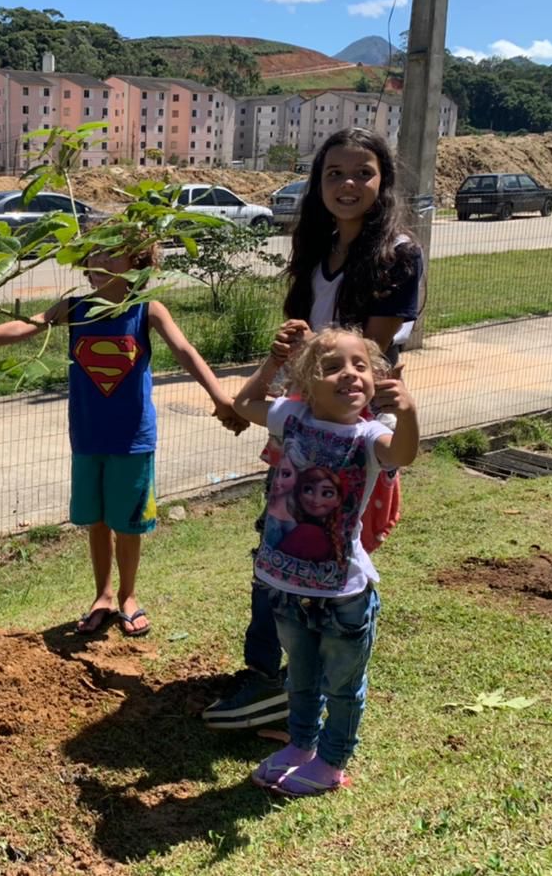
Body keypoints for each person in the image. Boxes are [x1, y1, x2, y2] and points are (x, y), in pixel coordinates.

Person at [203, 127, 425, 731]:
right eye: (334, 173)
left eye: (363, 173)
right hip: (304, 418)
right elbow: (310, 346)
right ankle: (276, 680)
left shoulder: (397, 253)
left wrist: (300, 397)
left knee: (327, 549)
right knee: (280, 539)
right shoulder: (317, 247)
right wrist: (279, 375)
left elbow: (367, 360)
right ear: (317, 182)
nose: (348, 185)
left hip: (349, 432)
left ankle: (295, 688)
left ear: (383, 183)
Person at [0, 236, 244, 638]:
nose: (99, 258)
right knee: (97, 521)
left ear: (136, 261)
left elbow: (185, 350)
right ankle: (102, 595)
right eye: (93, 254)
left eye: (111, 251)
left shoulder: (146, 310)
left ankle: (128, 596)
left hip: (132, 440)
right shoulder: (76, 309)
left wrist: (220, 395)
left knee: (128, 523)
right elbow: (27, 325)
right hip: (87, 438)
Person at [231, 326, 418, 796]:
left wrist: (409, 410)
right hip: (287, 587)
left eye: (360, 366)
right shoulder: (291, 416)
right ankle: (300, 747)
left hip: (343, 595)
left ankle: (332, 762)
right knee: (301, 677)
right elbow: (241, 405)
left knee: (341, 686)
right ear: (307, 383)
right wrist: (273, 364)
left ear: (375, 380)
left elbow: (404, 454)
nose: (349, 374)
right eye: (332, 367)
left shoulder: (372, 435)